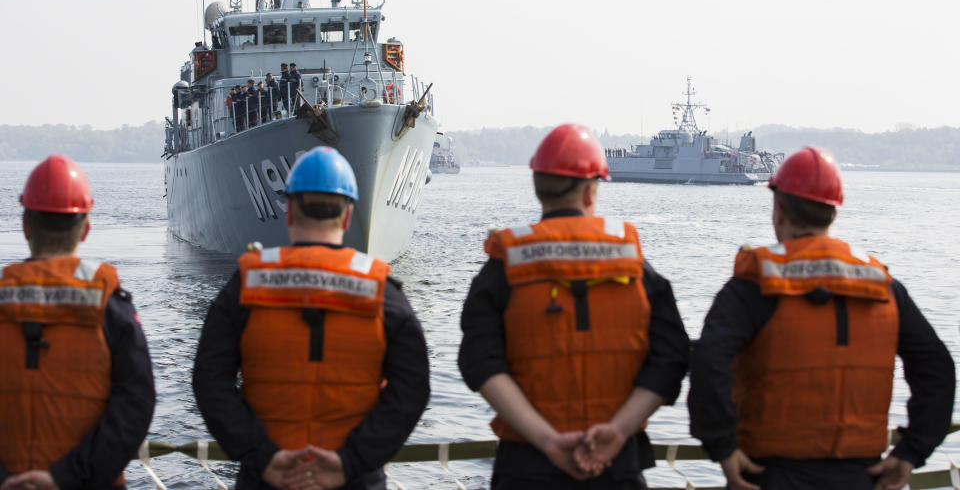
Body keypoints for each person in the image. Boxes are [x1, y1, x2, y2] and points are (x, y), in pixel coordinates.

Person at [688, 146, 955, 490]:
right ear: (833, 212)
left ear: (778, 209)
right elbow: (938, 369)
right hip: (861, 476)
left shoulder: (754, 284)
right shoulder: (884, 287)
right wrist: (910, 452)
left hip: (768, 474)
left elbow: (709, 362)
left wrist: (722, 447)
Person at [458, 124, 689, 490]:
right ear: (592, 189)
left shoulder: (505, 266)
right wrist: (617, 431)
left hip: (526, 467)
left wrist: (548, 440)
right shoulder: (635, 268)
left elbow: (478, 361)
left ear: (537, 185)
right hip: (617, 464)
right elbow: (672, 358)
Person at [193, 146, 430, 490]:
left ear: (287, 210)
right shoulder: (384, 294)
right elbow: (413, 389)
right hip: (352, 480)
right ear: (348, 216)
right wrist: (350, 462)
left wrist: (263, 456)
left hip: (269, 478)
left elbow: (209, 381)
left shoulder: (246, 285)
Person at [0, 155, 155, 489]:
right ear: (85, 229)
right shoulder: (112, 308)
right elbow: (135, 407)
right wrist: (65, 477)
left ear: (26, 226)